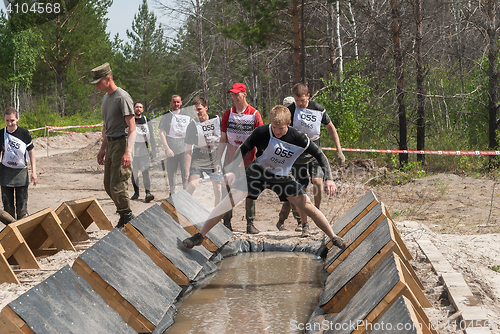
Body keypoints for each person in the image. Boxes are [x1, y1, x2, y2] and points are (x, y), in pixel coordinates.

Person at [182, 105, 348, 250]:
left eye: (280, 129)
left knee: (308, 206)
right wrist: (232, 170)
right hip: (258, 173)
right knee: (229, 201)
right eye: (274, 127)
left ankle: (334, 238)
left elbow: (320, 156)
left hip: (282, 176)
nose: (276, 132)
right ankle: (199, 236)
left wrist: (329, 178)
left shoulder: (299, 138)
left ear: (288, 124)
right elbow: (244, 148)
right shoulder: (262, 132)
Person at [281, 83, 345, 237]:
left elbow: (331, 128)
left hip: (314, 153)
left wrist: (339, 150)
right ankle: (304, 225)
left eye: (302, 100)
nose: (300, 104)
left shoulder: (318, 109)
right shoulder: (291, 110)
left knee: (317, 182)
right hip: (297, 157)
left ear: (308, 96)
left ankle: (315, 210)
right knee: (301, 190)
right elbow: (281, 130)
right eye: (297, 101)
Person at [91, 62, 136, 228]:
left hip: (121, 143)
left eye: (98, 82)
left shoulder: (122, 97)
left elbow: (132, 128)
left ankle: (128, 216)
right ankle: (124, 214)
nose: (96, 86)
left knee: (118, 184)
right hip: (110, 143)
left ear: (107, 79)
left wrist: (128, 152)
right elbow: (106, 126)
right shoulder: (106, 97)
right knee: (108, 185)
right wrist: (103, 148)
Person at [217, 83, 263, 234]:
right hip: (230, 159)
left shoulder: (254, 114)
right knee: (227, 191)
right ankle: (227, 222)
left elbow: (261, 139)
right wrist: (218, 159)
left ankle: (250, 223)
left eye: (237, 94)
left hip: (249, 160)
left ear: (244, 94)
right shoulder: (227, 114)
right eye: (232, 94)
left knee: (249, 190)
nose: (234, 97)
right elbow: (223, 137)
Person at [0, 107, 37, 221]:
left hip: (21, 172)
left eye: (12, 120)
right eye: (7, 121)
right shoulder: (1, 133)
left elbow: (31, 152)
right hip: (5, 172)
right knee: (8, 205)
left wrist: (34, 172)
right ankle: (10, 230)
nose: (10, 123)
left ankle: (22, 227)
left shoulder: (24, 133)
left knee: (22, 204)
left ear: (17, 119)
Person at [184, 96, 222, 207]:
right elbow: (188, 149)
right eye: (195, 110)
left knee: (218, 189)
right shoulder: (192, 125)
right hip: (198, 158)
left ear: (206, 108)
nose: (197, 112)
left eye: (199, 109)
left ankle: (216, 217)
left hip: (213, 159)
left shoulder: (216, 120)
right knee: (192, 185)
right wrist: (187, 172)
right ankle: (183, 208)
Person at [276, 96, 302, 231]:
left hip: (297, 162)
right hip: (283, 164)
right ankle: (300, 222)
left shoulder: (297, 124)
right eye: (286, 107)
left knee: (291, 194)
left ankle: (281, 221)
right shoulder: (278, 126)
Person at [159, 95, 190, 194]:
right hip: (171, 148)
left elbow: (189, 133)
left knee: (185, 172)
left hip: (183, 148)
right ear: (170, 103)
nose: (176, 104)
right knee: (171, 173)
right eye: (174, 102)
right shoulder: (166, 115)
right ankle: (172, 194)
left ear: (181, 103)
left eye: (178, 102)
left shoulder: (186, 115)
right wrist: (167, 148)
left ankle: (185, 194)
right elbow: (161, 133)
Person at [130, 102, 156, 203]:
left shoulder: (146, 120)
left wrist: (154, 149)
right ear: (134, 109)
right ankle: (136, 193)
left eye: (140, 107)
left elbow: (152, 136)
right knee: (135, 172)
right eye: (137, 107)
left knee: (146, 172)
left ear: (143, 109)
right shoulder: (131, 120)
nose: (138, 109)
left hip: (144, 150)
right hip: (134, 150)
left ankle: (148, 192)